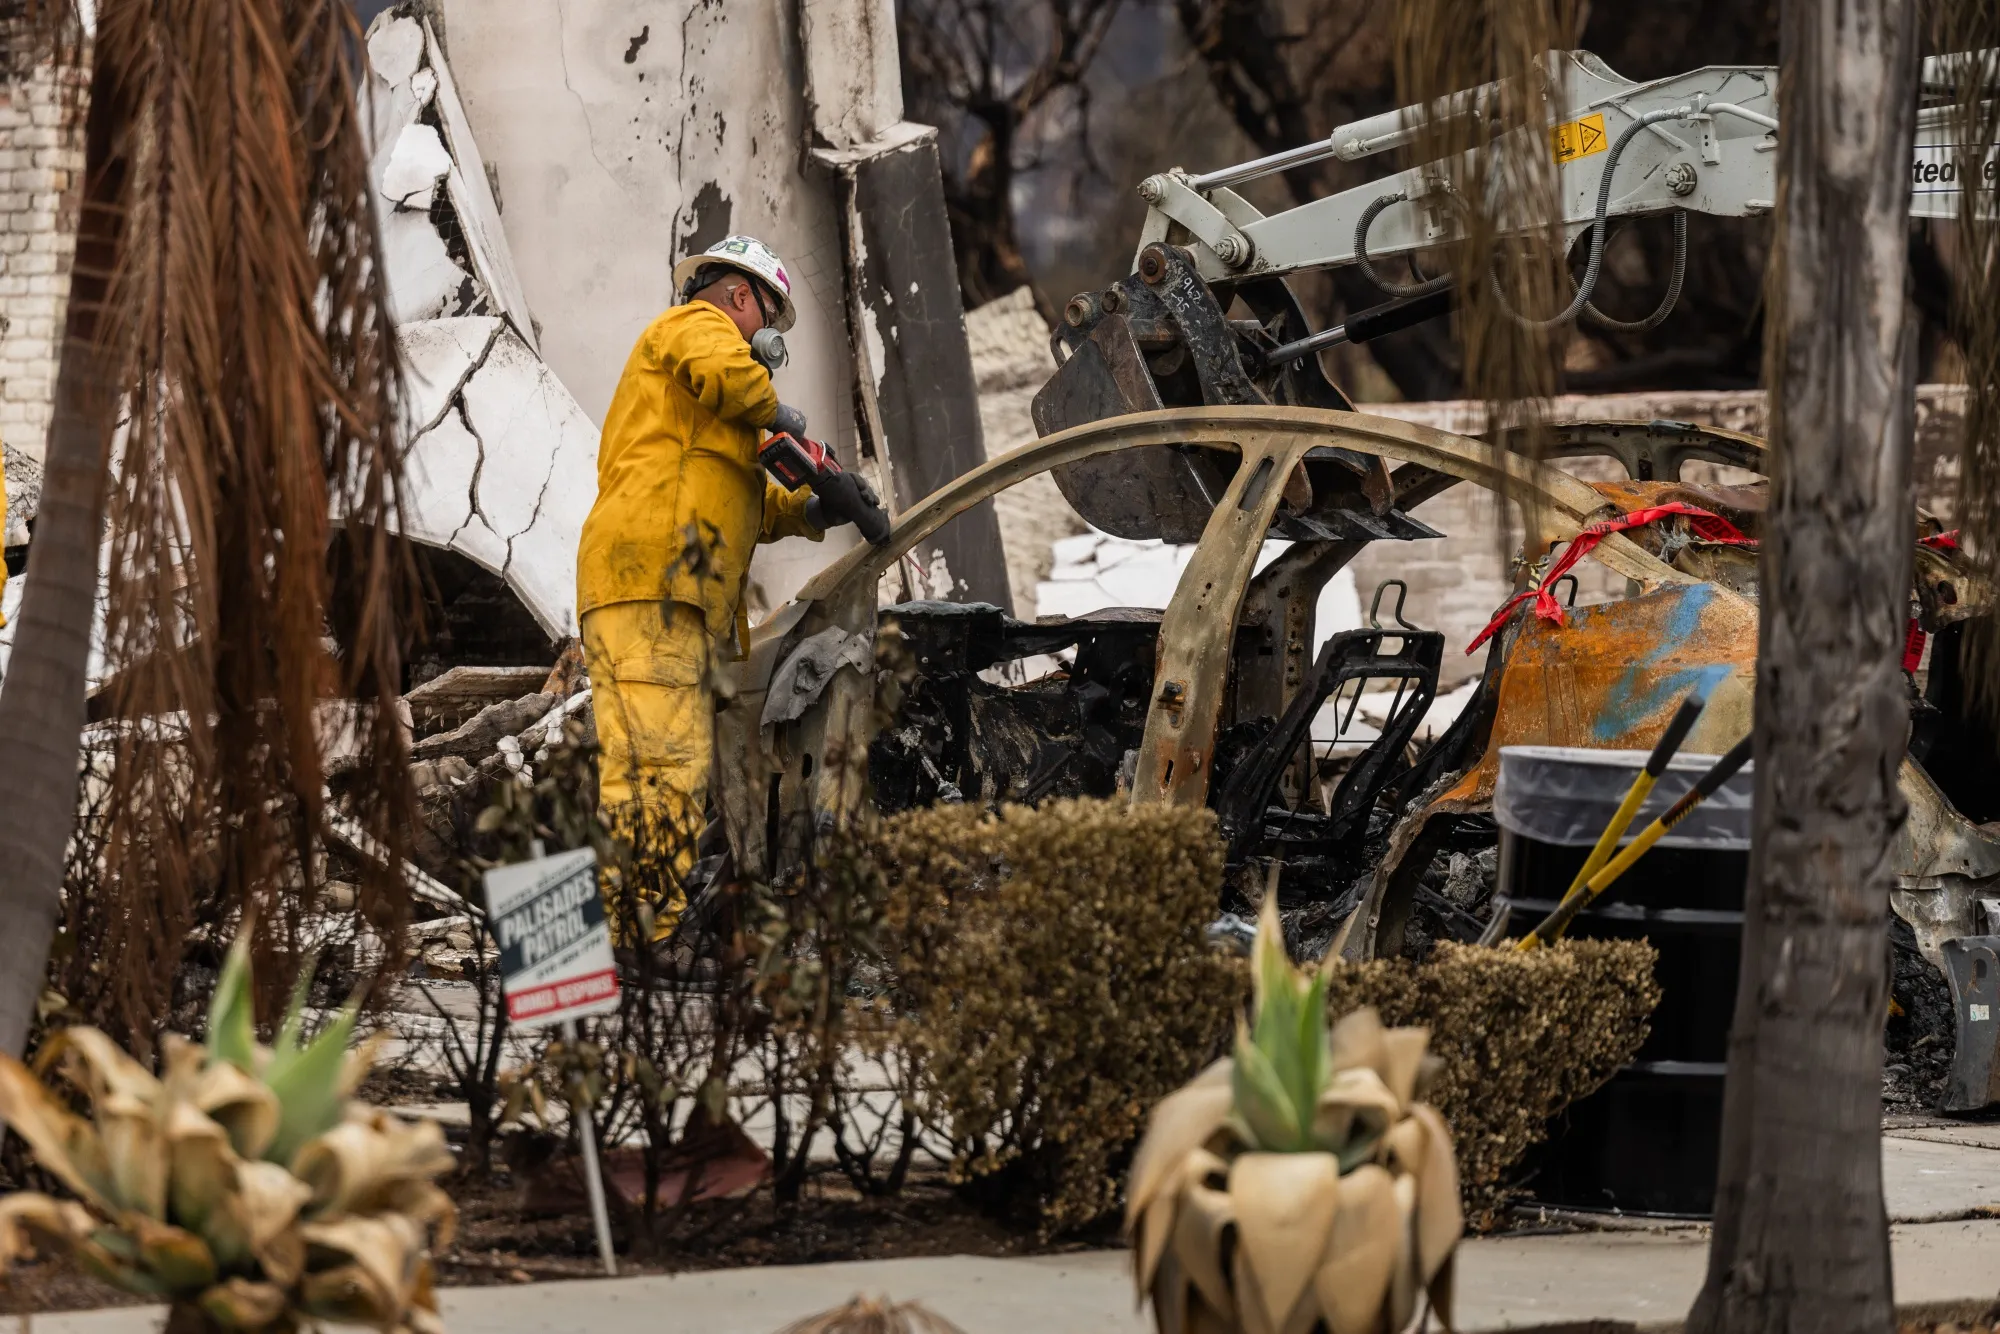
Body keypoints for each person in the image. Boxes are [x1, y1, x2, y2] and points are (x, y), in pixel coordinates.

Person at [576, 235, 885, 930]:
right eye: (769, 324)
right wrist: (785, 418)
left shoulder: (702, 410)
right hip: (655, 581)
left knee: (645, 770)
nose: (769, 345)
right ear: (741, 296)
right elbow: (733, 376)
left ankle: (622, 941)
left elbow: (747, 504)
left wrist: (814, 505)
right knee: (664, 770)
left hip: (649, 585)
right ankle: (644, 940)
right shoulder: (696, 328)